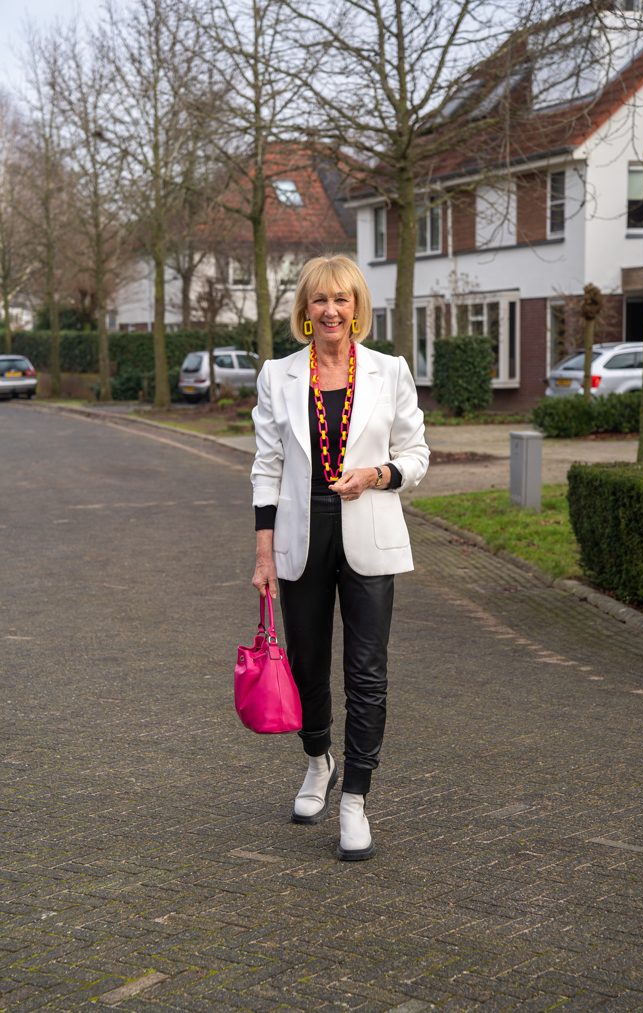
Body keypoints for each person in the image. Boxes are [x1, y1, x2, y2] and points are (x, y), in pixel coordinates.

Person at [250, 255, 429, 861]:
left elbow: (418, 454)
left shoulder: (388, 370)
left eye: (342, 300)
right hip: (303, 534)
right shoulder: (278, 375)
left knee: (367, 671)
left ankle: (355, 799)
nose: (331, 311)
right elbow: (267, 468)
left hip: (368, 531)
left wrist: (379, 474)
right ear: (305, 310)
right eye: (320, 300)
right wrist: (263, 554)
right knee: (306, 665)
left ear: (357, 308)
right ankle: (317, 760)